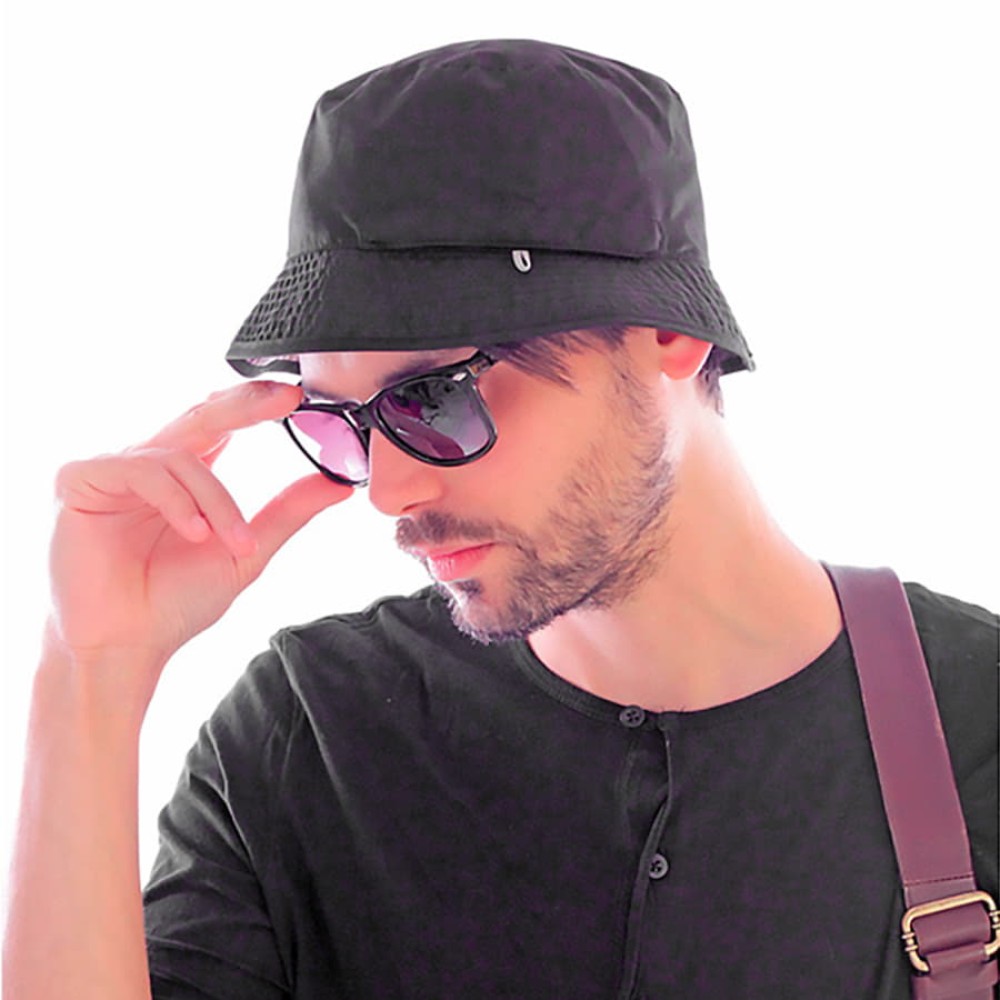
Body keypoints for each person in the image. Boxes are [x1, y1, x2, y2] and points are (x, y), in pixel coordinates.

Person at [5, 39, 997, 1000]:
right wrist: (88, 676)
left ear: (667, 334)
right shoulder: (308, 736)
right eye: (340, 422)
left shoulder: (979, 724)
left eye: (433, 398)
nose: (388, 491)